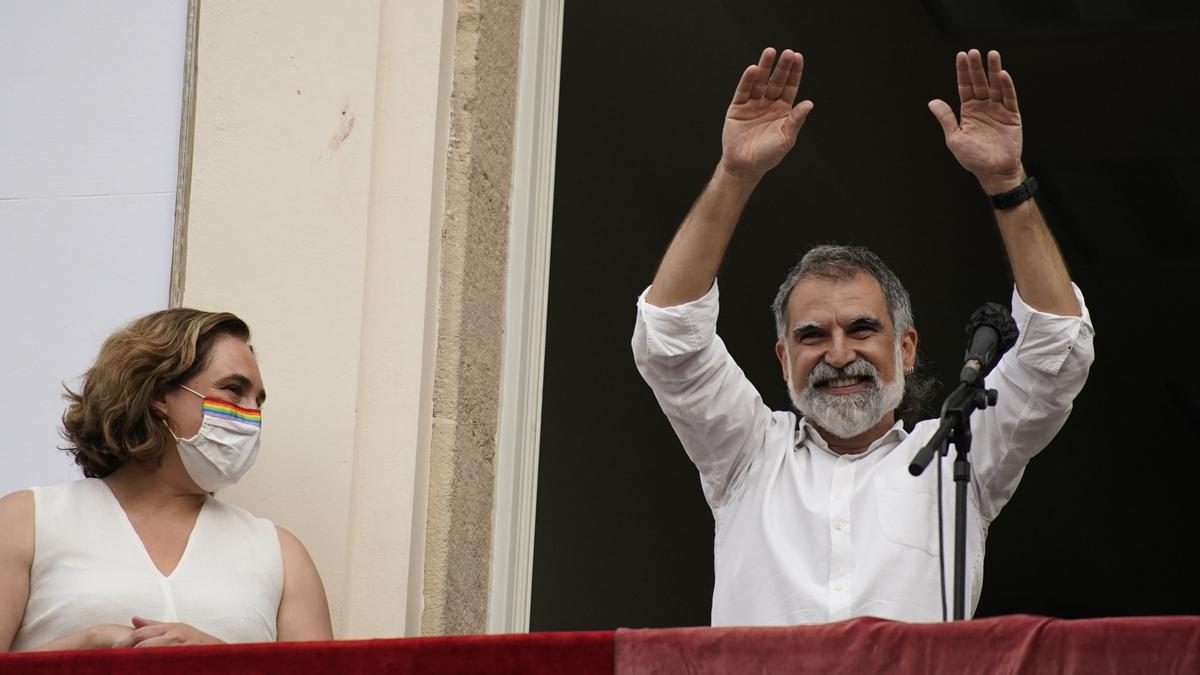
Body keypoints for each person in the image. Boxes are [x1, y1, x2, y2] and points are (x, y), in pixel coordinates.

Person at [632, 47, 1095, 624]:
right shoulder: (748, 455)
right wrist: (735, 174)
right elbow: (670, 337)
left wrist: (1006, 182)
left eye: (861, 329)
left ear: (905, 347)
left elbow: (1057, 352)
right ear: (783, 359)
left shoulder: (961, 459)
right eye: (811, 335)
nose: (839, 354)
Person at [0, 309, 333, 651]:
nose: (251, 416)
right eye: (234, 390)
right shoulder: (27, 520)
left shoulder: (281, 554)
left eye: (258, 402)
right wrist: (89, 643)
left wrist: (221, 661)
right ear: (158, 393)